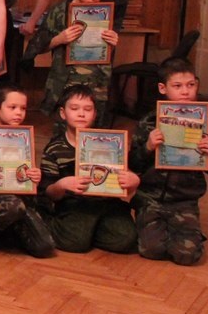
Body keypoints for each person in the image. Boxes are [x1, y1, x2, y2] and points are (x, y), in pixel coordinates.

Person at [129, 58, 208, 265]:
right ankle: (156, 225)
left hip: (185, 199)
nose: (185, 91)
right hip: (150, 198)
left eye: (190, 85)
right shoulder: (149, 122)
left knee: (187, 255)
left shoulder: (205, 121)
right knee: (152, 249)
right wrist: (148, 147)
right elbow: (133, 164)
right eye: (178, 86)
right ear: (163, 88)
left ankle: (188, 231)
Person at [40, 84, 140, 254]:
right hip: (74, 205)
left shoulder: (110, 143)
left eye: (88, 109)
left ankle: (90, 231)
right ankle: (55, 225)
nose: (81, 113)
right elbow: (47, 191)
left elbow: (125, 177)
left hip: (108, 203)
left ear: (94, 114)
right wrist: (62, 185)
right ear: (63, 113)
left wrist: (133, 181)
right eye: (74, 108)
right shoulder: (54, 149)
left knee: (126, 240)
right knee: (75, 243)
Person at [24, 0, 119, 124]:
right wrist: (59, 39)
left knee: (93, 130)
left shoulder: (105, 12)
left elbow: (106, 51)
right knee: (64, 129)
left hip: (97, 84)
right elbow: (36, 47)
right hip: (66, 83)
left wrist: (113, 41)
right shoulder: (59, 12)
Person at [0, 82, 54, 257]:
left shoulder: (25, 136)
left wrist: (34, 175)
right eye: (12, 107)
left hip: (20, 196)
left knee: (44, 246)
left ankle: (11, 232)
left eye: (23, 108)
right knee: (14, 207)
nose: (19, 113)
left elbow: (27, 172)